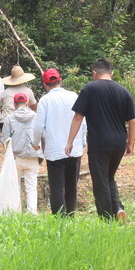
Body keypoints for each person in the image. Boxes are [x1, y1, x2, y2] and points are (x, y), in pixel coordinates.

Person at [65, 58, 135, 222]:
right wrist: (130, 143)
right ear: (111, 73)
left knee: (100, 182)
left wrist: (70, 141)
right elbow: (133, 122)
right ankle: (118, 208)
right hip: (119, 143)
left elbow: (78, 117)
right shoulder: (123, 91)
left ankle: (106, 220)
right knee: (109, 177)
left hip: (99, 143)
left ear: (94, 73)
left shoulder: (89, 89)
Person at [34, 68, 86, 215]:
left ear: (45, 85)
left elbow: (38, 126)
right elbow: (82, 121)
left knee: (56, 187)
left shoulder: (45, 100)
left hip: (54, 150)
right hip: (74, 149)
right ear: (60, 81)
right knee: (71, 186)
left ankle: (59, 220)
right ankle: (70, 216)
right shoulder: (73, 96)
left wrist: (35, 142)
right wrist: (82, 142)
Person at [1, 92, 41, 213]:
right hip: (33, 156)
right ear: (27, 103)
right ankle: (32, 212)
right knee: (31, 186)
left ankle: (15, 211)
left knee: (15, 185)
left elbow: (5, 140)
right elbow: (41, 134)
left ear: (14, 104)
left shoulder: (9, 119)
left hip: (15, 157)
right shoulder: (36, 116)